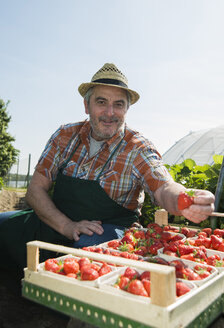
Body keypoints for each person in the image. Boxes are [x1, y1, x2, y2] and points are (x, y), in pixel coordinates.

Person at [0, 63, 215, 272]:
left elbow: (163, 187)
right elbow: (35, 190)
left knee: (88, 252)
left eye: (119, 104)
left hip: (108, 231)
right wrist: (67, 226)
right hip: (54, 221)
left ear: (127, 109)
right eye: (101, 102)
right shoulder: (64, 136)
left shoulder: (137, 148)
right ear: (87, 105)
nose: (110, 112)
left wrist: (183, 199)